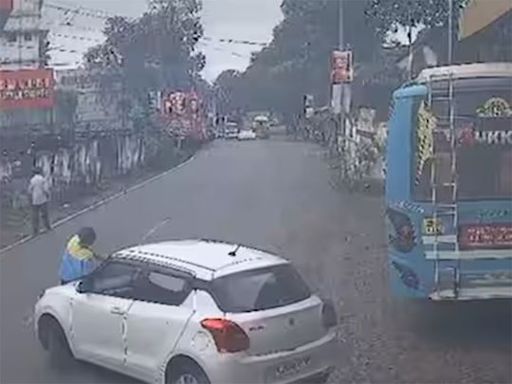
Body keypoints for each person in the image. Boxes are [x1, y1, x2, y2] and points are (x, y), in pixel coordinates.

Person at [28, 167, 51, 236]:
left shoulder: (32, 180)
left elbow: (29, 190)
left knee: (35, 215)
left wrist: (30, 198)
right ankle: (47, 226)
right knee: (44, 214)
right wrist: (48, 195)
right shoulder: (42, 179)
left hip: (35, 200)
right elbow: (45, 189)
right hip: (42, 199)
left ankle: (35, 230)